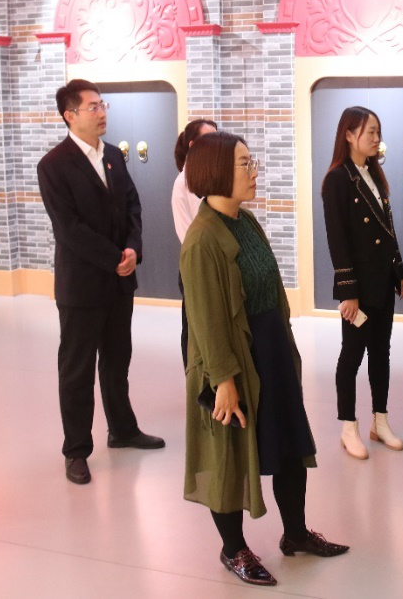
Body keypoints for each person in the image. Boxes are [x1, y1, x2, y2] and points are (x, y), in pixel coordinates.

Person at [181, 131, 348, 587]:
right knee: (229, 456)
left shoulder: (246, 220)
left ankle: (295, 534)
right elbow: (206, 319)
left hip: (270, 349)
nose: (254, 172)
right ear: (216, 171)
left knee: (290, 443)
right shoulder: (201, 241)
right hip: (233, 359)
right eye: (245, 164)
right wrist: (224, 380)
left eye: (251, 162)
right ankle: (233, 549)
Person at [37, 79, 164, 486]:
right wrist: (114, 259)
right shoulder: (53, 165)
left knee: (117, 358)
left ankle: (122, 429)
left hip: (119, 281)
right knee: (77, 369)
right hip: (82, 285)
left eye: (102, 104)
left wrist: (133, 248)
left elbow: (132, 205)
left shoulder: (112, 155)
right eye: (92, 107)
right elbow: (68, 228)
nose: (101, 112)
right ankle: (76, 450)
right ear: (69, 115)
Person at [320, 106, 403, 459]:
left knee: (381, 354)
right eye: (369, 132)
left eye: (377, 131)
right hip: (358, 288)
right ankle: (348, 427)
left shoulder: (374, 174)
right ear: (348, 135)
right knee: (352, 356)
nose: (376, 138)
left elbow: (388, 229)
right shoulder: (337, 180)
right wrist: (348, 292)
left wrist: (399, 270)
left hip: (382, 282)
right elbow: (337, 240)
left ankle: (380, 422)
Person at [171, 118, 218, 367]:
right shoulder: (184, 182)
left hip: (213, 261)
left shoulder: (209, 177)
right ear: (193, 145)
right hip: (197, 264)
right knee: (194, 327)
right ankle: (193, 376)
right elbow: (187, 233)